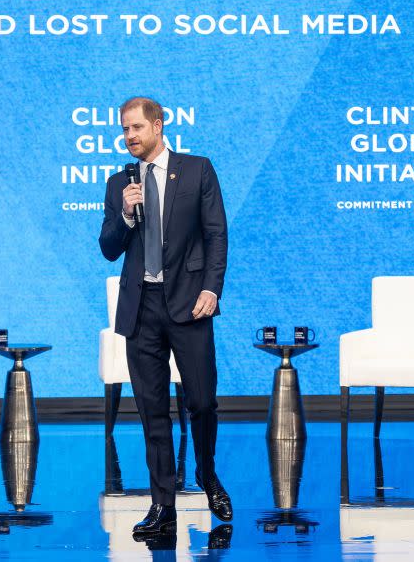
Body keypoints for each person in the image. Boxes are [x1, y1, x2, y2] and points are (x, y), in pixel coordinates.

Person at [99, 96, 232, 537]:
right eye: (124, 130)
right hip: (142, 308)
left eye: (136, 128)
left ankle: (207, 475)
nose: (129, 136)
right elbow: (108, 248)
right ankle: (162, 504)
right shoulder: (120, 182)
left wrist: (212, 288)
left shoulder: (197, 170)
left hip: (190, 304)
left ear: (158, 125)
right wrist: (124, 213)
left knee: (201, 402)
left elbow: (216, 234)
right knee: (152, 410)